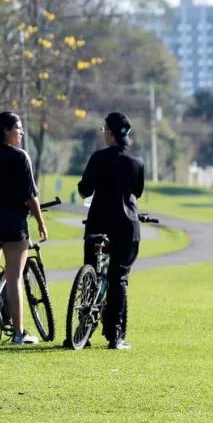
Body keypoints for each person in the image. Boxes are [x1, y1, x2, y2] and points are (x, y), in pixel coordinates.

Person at [0, 111, 49, 345]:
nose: (22, 132)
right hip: (13, 224)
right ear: (6, 130)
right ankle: (18, 332)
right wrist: (41, 222)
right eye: (18, 128)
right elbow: (30, 197)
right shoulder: (19, 157)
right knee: (14, 278)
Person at [75, 112, 145, 350]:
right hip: (126, 225)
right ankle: (115, 335)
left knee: (91, 273)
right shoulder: (137, 162)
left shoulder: (98, 158)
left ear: (111, 133)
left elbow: (85, 190)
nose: (103, 133)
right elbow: (137, 191)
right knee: (118, 278)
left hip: (98, 223)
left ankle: (82, 331)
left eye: (104, 129)